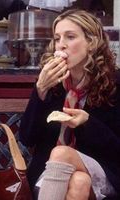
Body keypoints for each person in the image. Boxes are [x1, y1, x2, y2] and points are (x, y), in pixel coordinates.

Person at [19, 9, 120, 200]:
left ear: (91, 43)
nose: (61, 45)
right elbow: (27, 138)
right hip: (52, 173)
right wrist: (40, 90)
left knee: (61, 153)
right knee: (79, 182)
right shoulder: (53, 84)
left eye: (70, 37)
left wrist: (88, 124)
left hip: (105, 170)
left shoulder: (114, 83)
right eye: (57, 38)